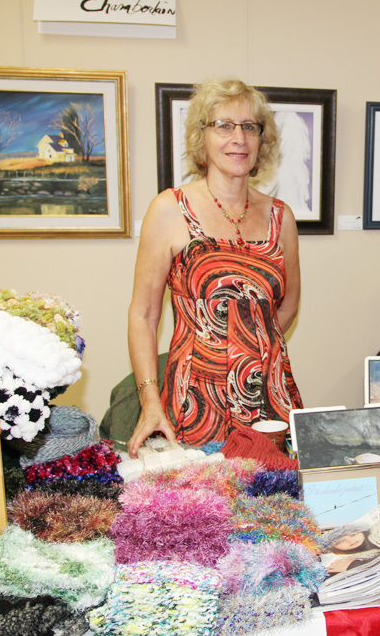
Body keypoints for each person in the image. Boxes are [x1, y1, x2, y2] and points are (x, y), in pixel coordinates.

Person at [127, 78, 303, 457]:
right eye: (224, 125)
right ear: (201, 137)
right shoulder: (169, 209)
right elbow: (143, 314)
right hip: (196, 401)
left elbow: (286, 307)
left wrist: (249, 347)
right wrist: (150, 400)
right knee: (206, 512)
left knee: (275, 507)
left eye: (249, 127)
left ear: (261, 140)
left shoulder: (280, 217)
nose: (238, 138)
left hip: (270, 401)